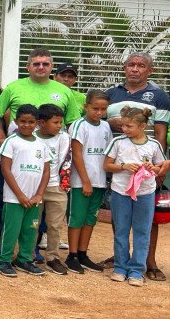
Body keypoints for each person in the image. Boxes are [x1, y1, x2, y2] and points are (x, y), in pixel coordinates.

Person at [104, 52, 169, 280]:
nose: (135, 69)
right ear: (124, 68)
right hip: (117, 165)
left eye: (141, 65)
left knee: (146, 220)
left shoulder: (159, 96)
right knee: (119, 218)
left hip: (146, 171)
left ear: (149, 71)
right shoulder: (111, 94)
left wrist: (158, 168)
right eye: (131, 64)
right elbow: (100, 124)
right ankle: (119, 261)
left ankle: (147, 264)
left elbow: (160, 133)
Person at [0, 104, 52, 277]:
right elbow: (5, 169)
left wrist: (39, 194)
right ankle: (4, 260)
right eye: (23, 122)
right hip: (14, 197)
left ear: (38, 123)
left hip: (34, 199)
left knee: (30, 229)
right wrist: (19, 194)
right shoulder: (11, 142)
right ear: (15, 121)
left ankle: (25, 259)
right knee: (11, 229)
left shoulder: (41, 145)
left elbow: (46, 171)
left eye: (31, 122)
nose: (27, 125)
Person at [0, 48, 81, 142]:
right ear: (28, 67)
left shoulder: (65, 91)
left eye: (45, 64)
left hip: (54, 148)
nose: (41, 67)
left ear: (51, 67)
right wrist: (1, 138)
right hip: (20, 146)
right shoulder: (13, 88)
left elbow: (73, 123)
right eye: (36, 64)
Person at [66, 90, 112, 275]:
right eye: (95, 108)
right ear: (86, 106)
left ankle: (83, 254)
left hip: (99, 181)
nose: (99, 112)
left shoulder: (106, 127)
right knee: (76, 218)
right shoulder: (78, 126)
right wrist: (85, 181)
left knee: (90, 218)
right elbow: (76, 154)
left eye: (103, 109)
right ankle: (72, 255)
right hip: (81, 181)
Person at [35, 104, 72, 275]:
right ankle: (26, 256)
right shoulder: (32, 137)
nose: (59, 126)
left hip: (56, 187)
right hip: (34, 189)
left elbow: (66, 159)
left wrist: (63, 183)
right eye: (55, 122)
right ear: (42, 123)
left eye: (60, 122)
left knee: (55, 225)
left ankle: (52, 258)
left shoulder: (63, 138)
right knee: (32, 224)